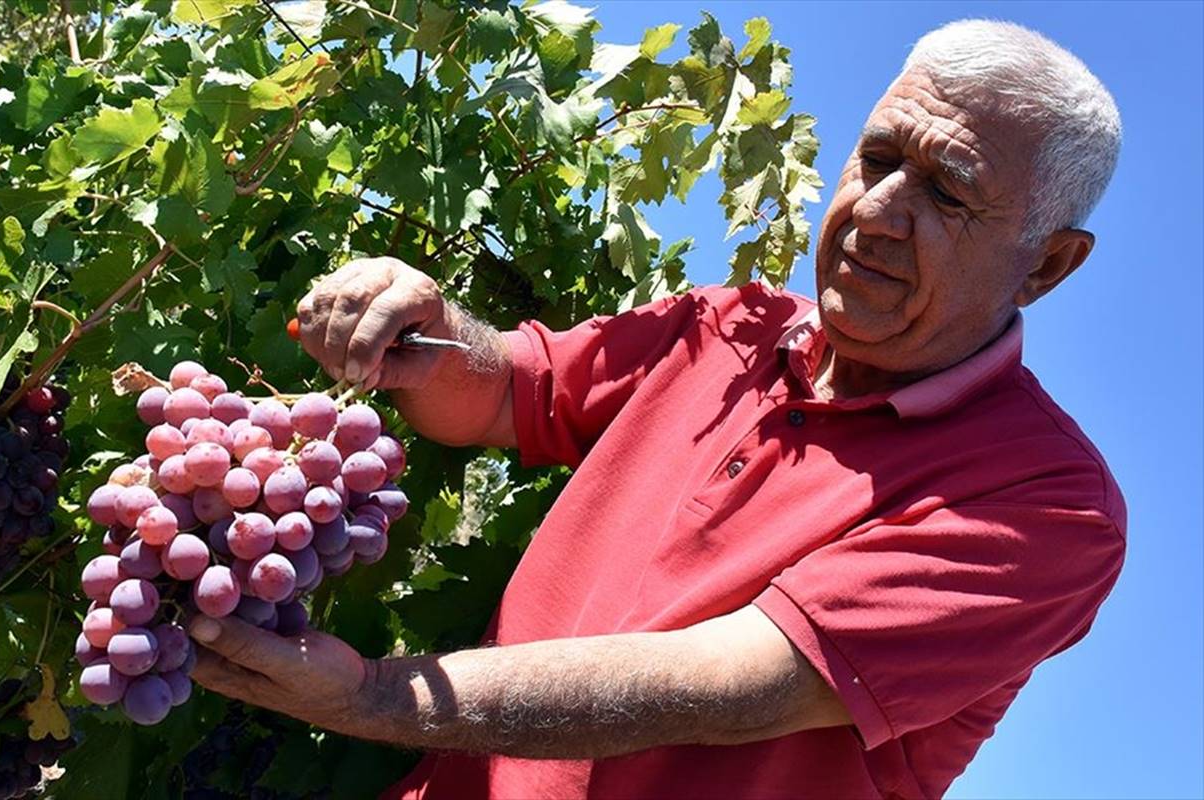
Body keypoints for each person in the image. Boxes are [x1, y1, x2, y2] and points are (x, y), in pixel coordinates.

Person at [189, 18, 1126, 800]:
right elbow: (508, 390)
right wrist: (428, 332)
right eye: (877, 157)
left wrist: (377, 697)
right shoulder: (729, 327)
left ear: (1047, 265)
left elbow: (739, 683)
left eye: (947, 192)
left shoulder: (1045, 502)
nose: (878, 210)